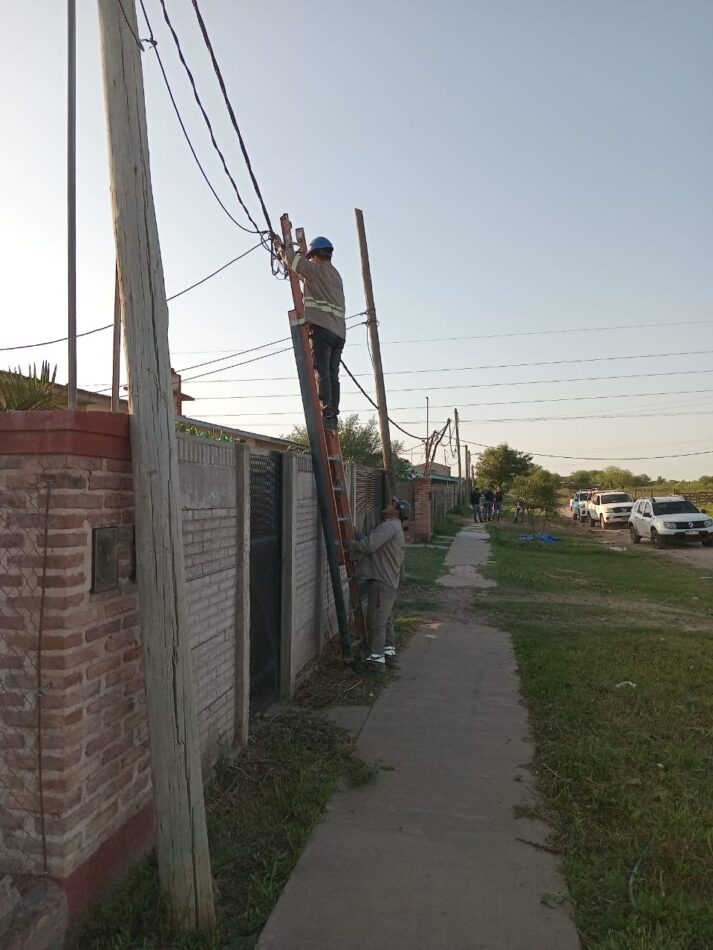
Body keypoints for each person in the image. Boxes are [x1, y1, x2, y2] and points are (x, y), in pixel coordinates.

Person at [274, 234, 346, 428]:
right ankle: (333, 414)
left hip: (322, 329)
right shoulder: (336, 276)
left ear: (314, 255)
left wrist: (280, 246)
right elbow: (307, 276)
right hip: (339, 334)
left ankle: (327, 414)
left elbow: (294, 261)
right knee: (332, 375)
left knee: (322, 373)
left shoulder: (316, 270)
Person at [348, 500, 409, 673]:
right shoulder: (394, 528)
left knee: (376, 622)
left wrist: (350, 543)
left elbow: (368, 546)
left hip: (381, 583)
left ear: (396, 512)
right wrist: (356, 533)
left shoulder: (389, 526)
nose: (389, 505)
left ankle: (376, 662)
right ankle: (389, 654)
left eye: (392, 504)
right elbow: (373, 543)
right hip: (387, 582)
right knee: (385, 620)